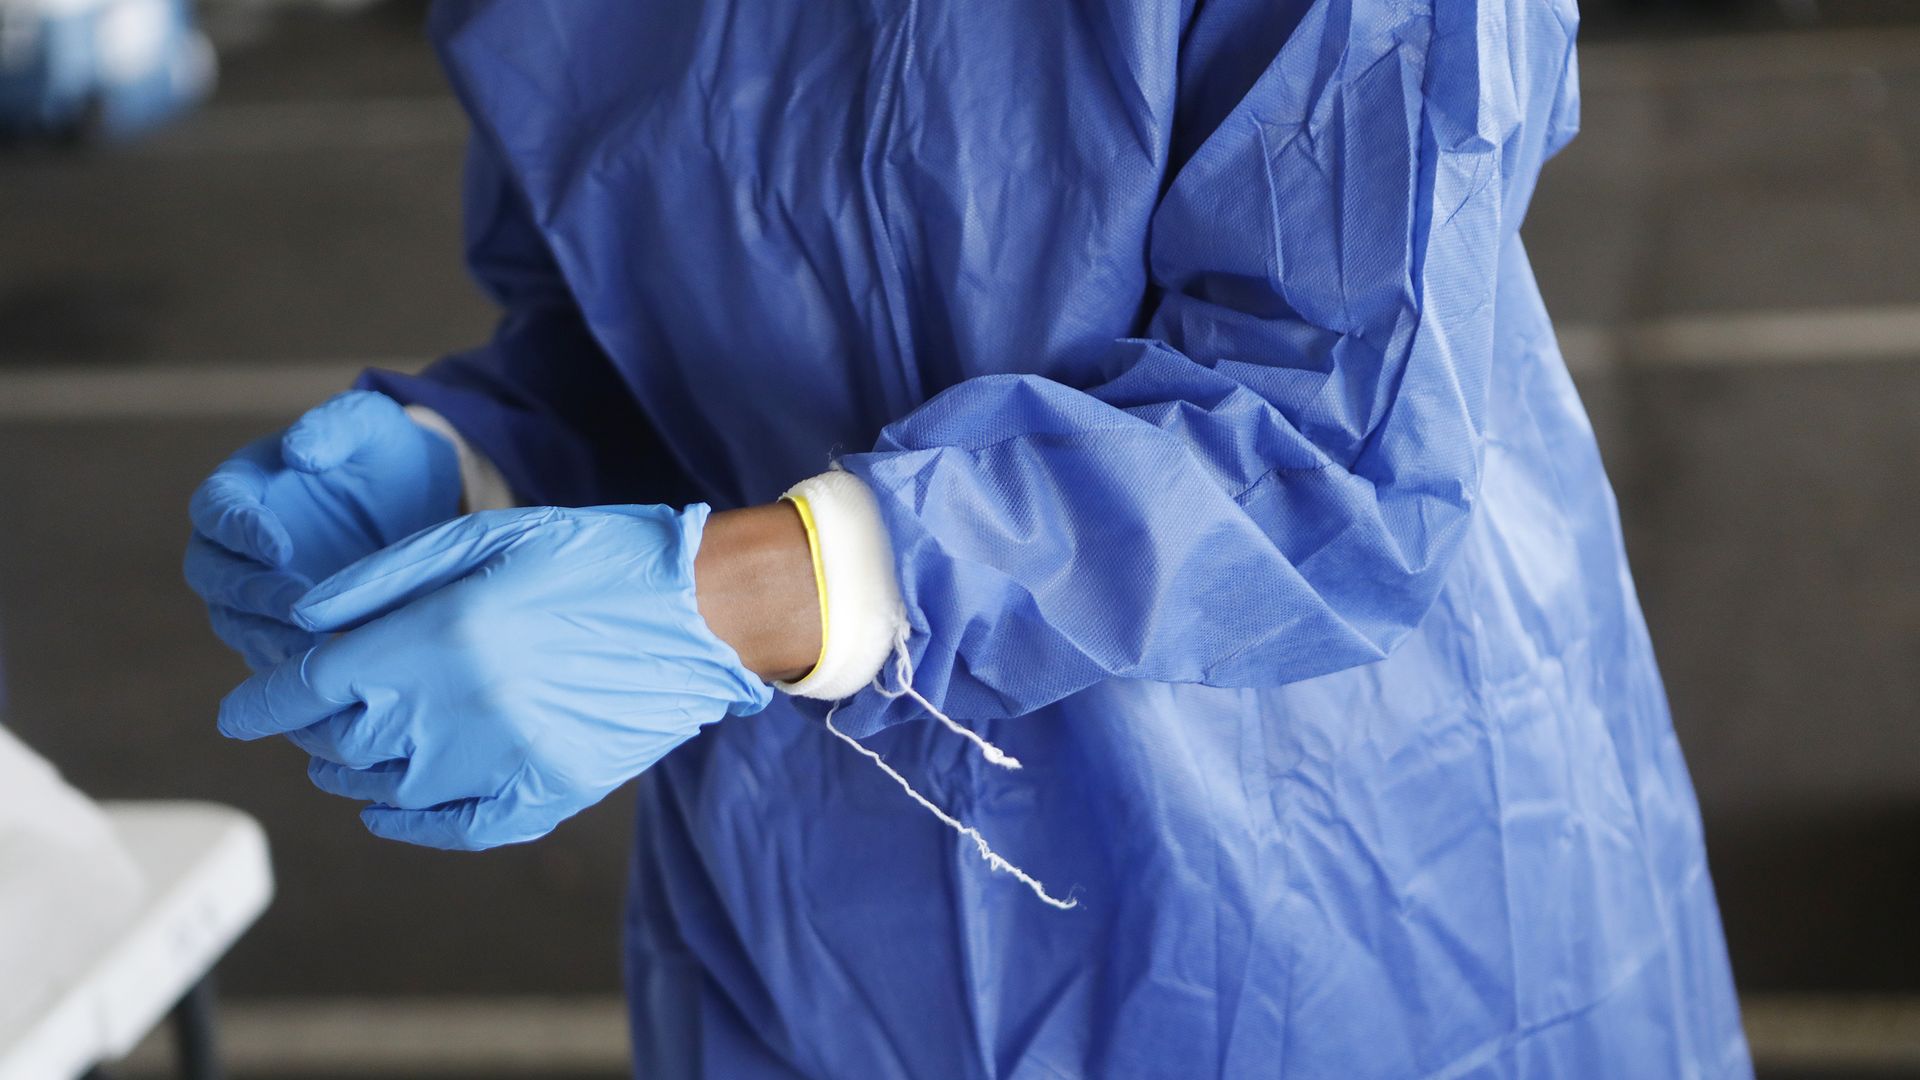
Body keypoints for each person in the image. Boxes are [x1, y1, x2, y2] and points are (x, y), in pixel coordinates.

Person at [186, 0, 1753, 1075]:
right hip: (804, 929)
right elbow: (633, 321)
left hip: (1328, 886)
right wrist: (472, 464)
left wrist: (757, 589)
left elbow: (1332, 424)